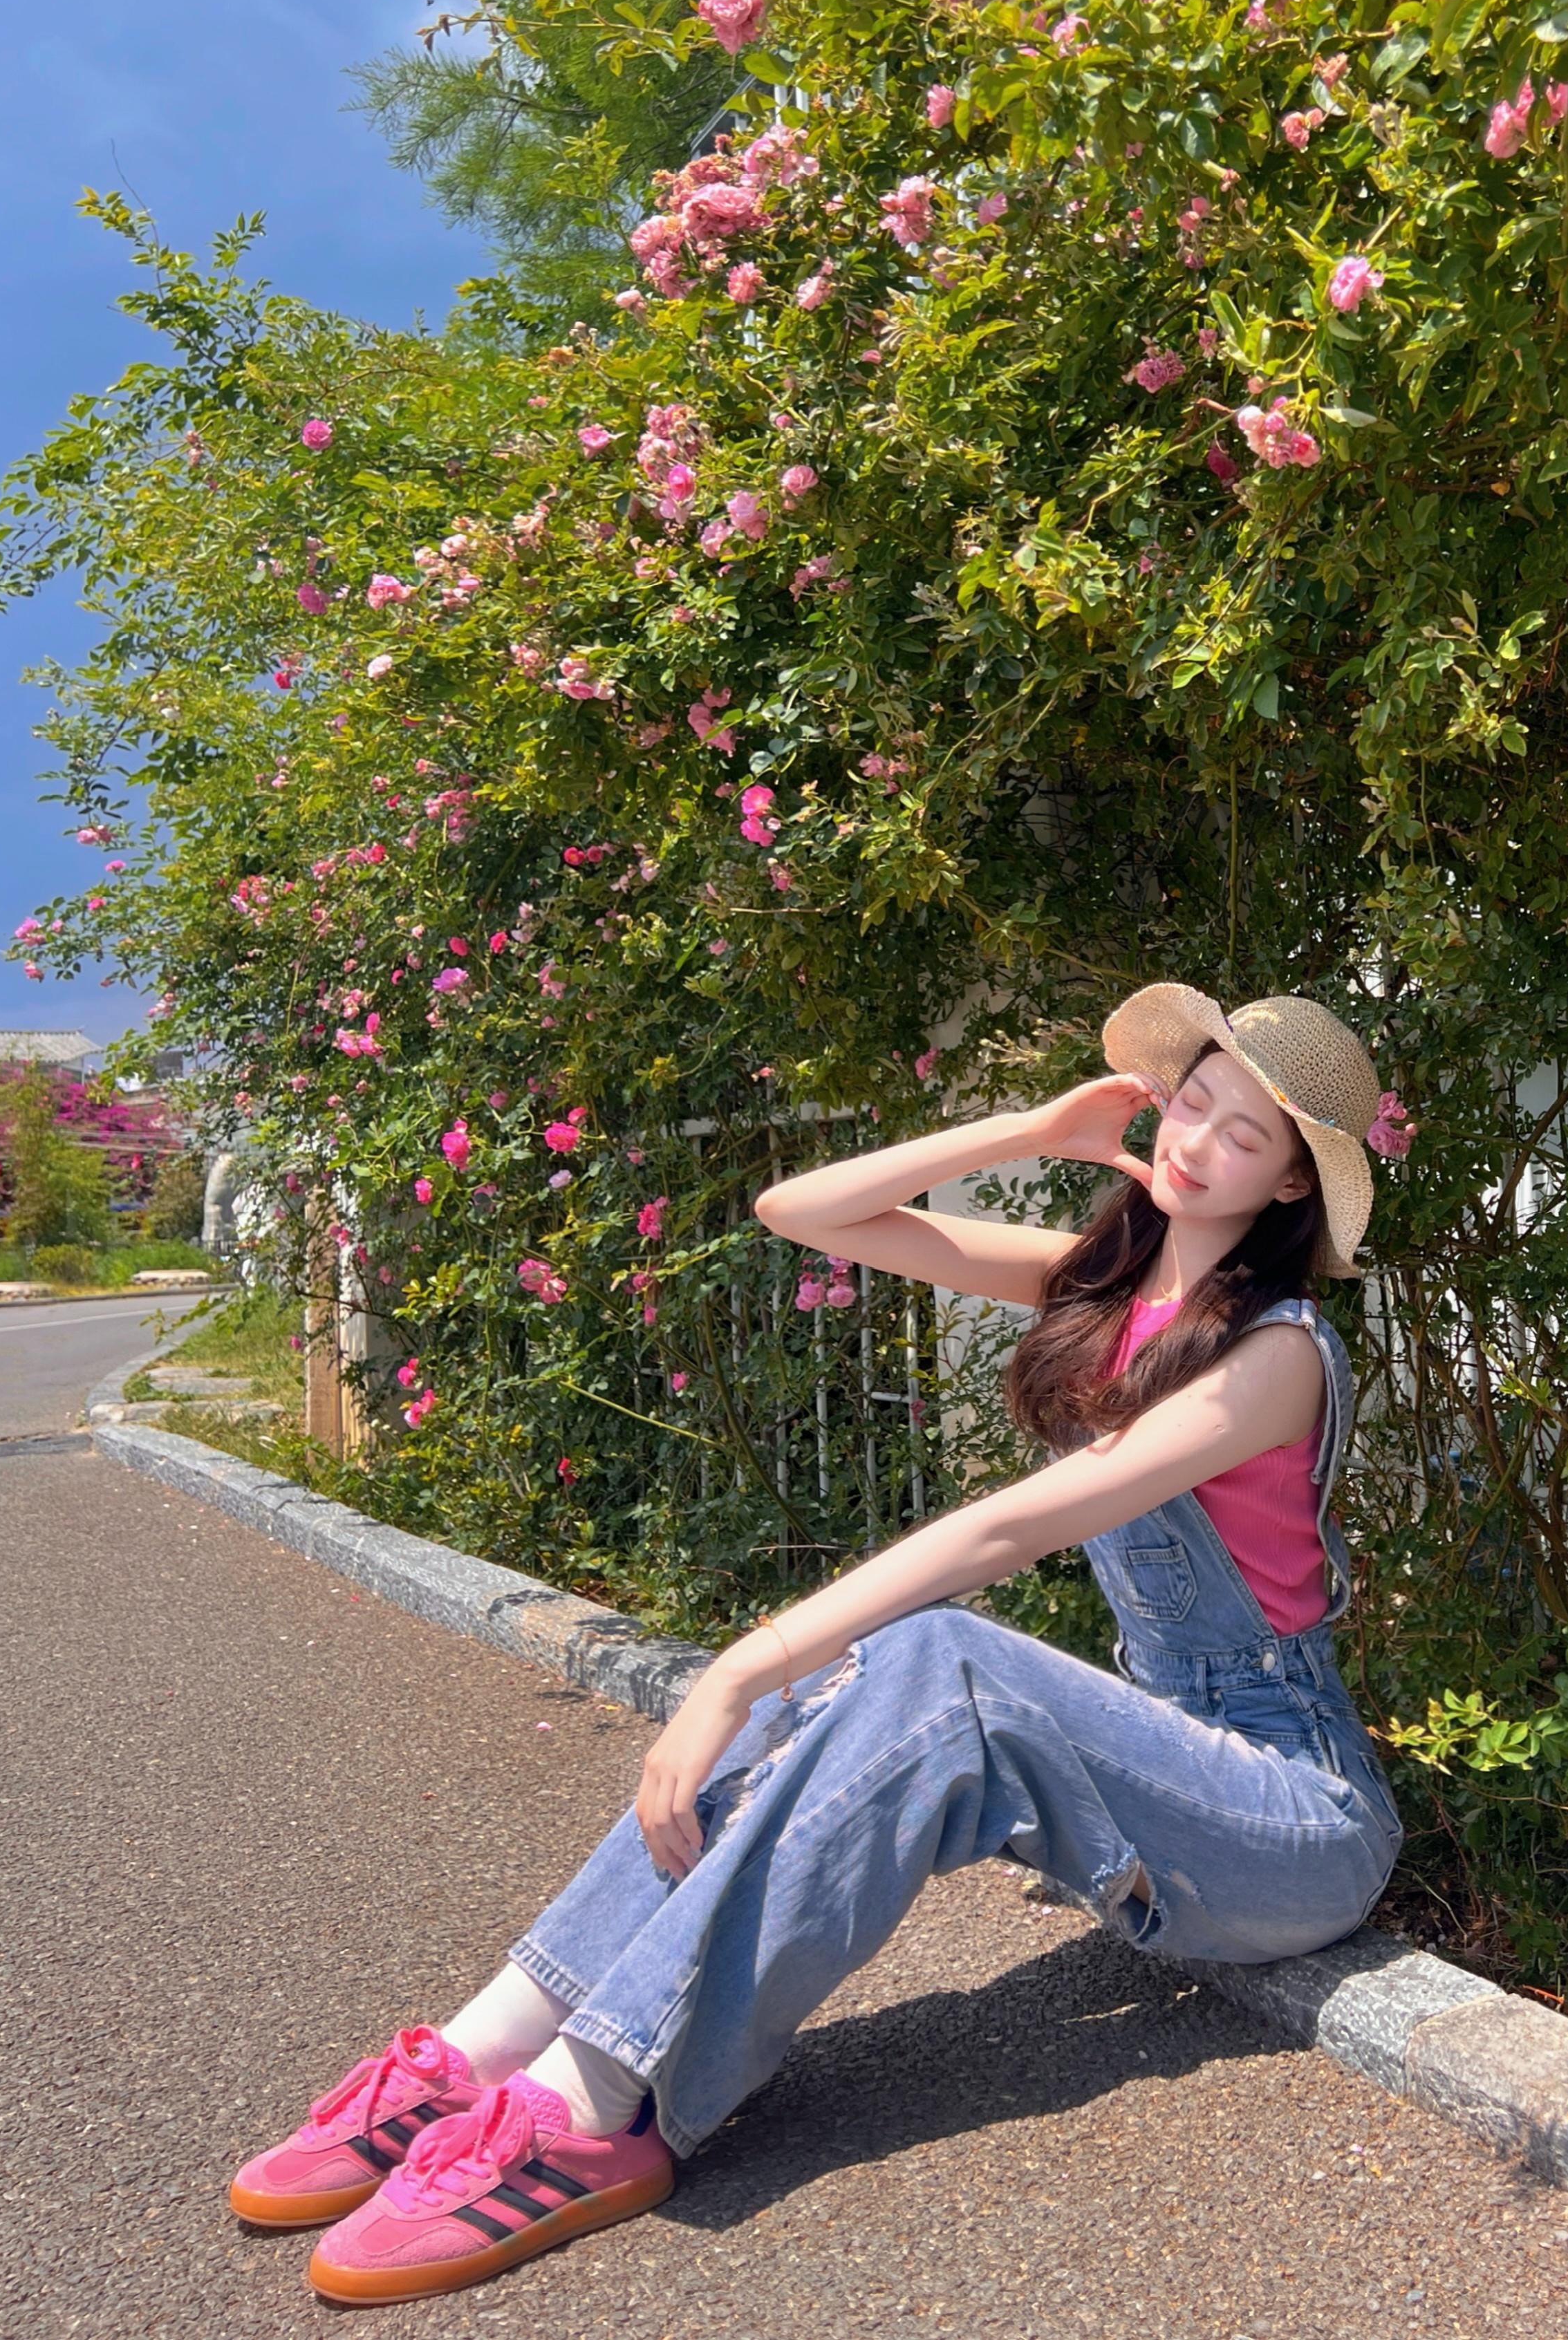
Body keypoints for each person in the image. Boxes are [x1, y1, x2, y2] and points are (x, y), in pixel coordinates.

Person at [228, 984, 1412, 2308]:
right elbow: (803, 1211)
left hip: (1292, 1817)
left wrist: (741, 1669)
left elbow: (1009, 1528)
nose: (1195, 1143)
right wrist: (1029, 1132)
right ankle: (489, 2045)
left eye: (1244, 1136)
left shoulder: (1276, 1355)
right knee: (869, 1672)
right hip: (1167, 1772)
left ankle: (596, 2100)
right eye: (1191, 1102)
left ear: (1294, 1183)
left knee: (937, 1657)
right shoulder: (1102, 1286)